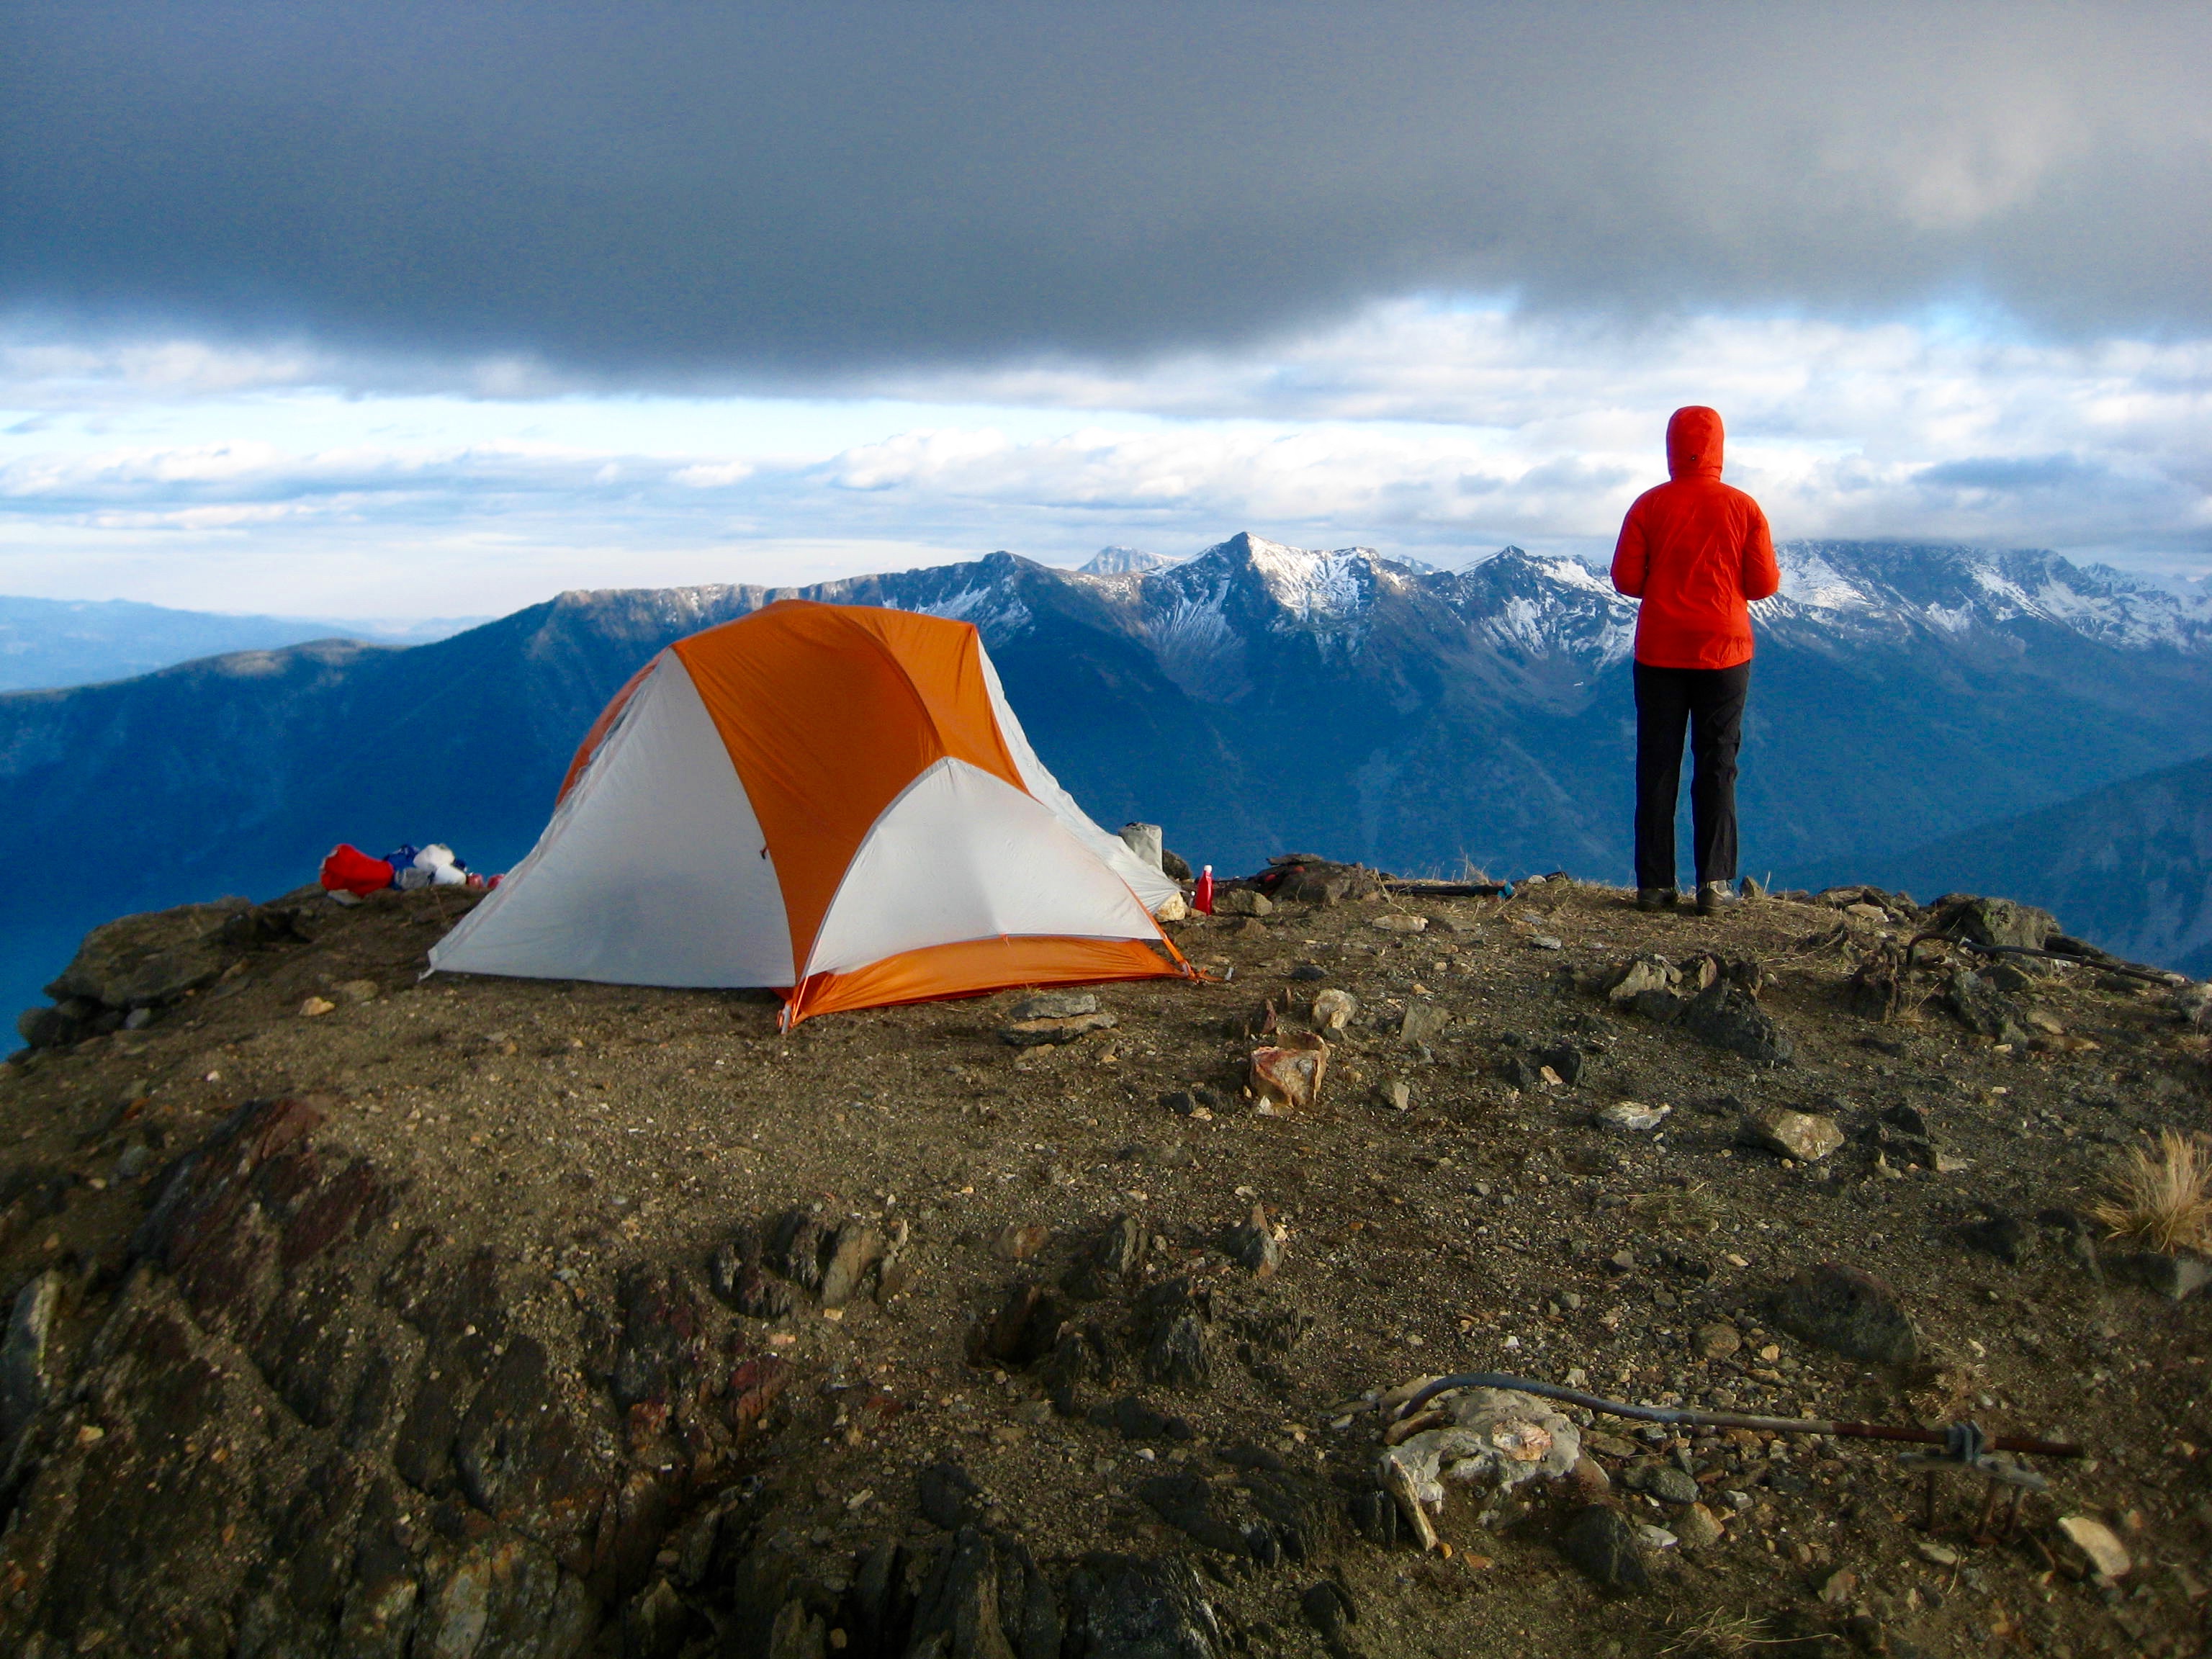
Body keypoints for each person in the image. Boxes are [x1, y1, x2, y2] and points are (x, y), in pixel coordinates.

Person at [1609, 405, 1779, 917]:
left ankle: (1655, 886)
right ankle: (1715, 885)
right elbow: (1765, 584)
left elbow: (1627, 580)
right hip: (1725, 652)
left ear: (1670, 448)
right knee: (1718, 763)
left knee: (1658, 764)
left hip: (1661, 650)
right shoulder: (1743, 507)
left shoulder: (1648, 506)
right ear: (1719, 449)